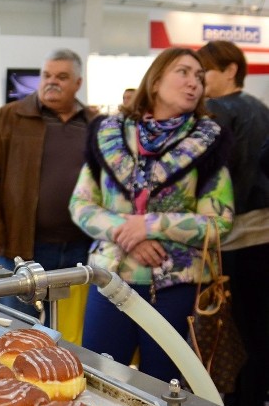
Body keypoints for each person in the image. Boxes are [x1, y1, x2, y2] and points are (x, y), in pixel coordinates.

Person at [69, 47, 234, 384]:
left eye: (200, 78)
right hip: (111, 279)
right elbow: (81, 204)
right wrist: (124, 232)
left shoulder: (208, 144)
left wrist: (150, 225)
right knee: (101, 379)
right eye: (183, 73)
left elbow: (220, 223)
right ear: (156, 81)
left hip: (177, 287)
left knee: (166, 389)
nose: (194, 83)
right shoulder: (109, 135)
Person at [0, 48, 97, 322]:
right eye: (47, 75)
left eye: (62, 77)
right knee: (14, 327)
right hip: (23, 246)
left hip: (81, 247)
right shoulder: (9, 117)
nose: (52, 81)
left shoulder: (94, 124)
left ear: (78, 83)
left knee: (71, 333)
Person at [196, 40, 269, 406]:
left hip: (238, 237)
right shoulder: (259, 106)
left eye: (203, 71)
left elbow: (226, 185)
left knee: (233, 335)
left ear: (228, 70)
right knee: (258, 334)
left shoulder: (222, 112)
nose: (197, 81)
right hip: (261, 236)